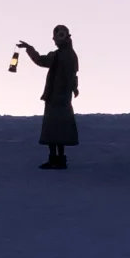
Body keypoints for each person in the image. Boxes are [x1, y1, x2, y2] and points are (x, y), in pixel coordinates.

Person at [17, 25, 79, 169]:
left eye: (59, 36)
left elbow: (72, 74)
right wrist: (29, 48)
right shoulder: (58, 55)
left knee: (58, 129)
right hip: (54, 97)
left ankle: (58, 160)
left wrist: (73, 87)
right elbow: (41, 60)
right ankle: (55, 159)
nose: (56, 40)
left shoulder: (67, 55)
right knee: (53, 129)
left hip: (60, 98)